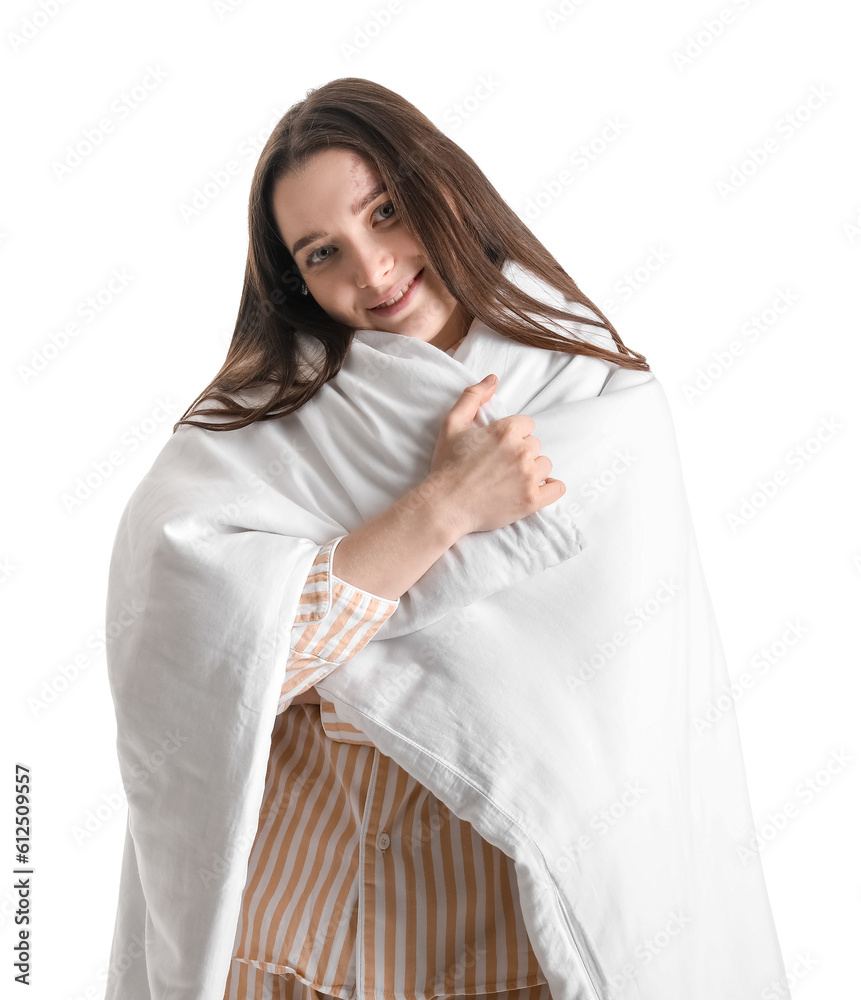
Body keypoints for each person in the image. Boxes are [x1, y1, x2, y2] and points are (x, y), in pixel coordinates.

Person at [142, 77, 650, 999]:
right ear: (293, 278)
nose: (372, 272)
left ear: (443, 189)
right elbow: (222, 673)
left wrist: (357, 585)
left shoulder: (594, 399)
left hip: (506, 938)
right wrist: (444, 508)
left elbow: (630, 704)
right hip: (298, 926)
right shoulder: (259, 422)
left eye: (386, 211)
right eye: (323, 251)